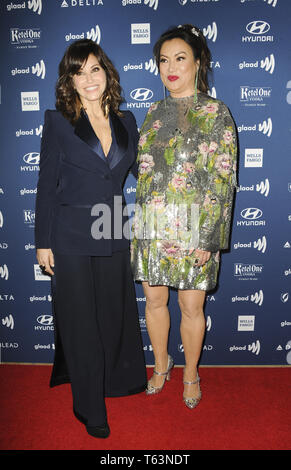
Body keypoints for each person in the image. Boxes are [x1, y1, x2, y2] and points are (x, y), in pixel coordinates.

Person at [35, 39, 147, 438]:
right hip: (69, 236)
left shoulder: (128, 121)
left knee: (112, 318)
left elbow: (145, 176)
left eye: (94, 69)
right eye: (78, 72)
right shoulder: (58, 121)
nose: (88, 79)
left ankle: (112, 383)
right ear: (70, 80)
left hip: (114, 228)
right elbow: (47, 183)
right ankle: (89, 406)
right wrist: (42, 241)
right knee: (81, 322)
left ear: (107, 72)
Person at [131, 24, 237, 409]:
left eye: (180, 58)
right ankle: (161, 365)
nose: (170, 67)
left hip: (195, 229)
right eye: (163, 60)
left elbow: (223, 178)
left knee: (192, 308)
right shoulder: (152, 112)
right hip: (151, 227)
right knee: (154, 303)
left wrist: (209, 237)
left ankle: (190, 372)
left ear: (198, 63)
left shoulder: (216, 112)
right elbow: (143, 170)